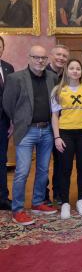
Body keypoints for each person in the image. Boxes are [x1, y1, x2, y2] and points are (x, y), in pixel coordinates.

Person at [3, 46, 58, 225]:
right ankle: (18, 210)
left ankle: (37, 202)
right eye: (36, 57)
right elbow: (8, 104)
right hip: (26, 131)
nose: (40, 61)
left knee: (43, 170)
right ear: (29, 57)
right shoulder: (15, 78)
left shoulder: (52, 77)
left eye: (43, 58)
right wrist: (18, 120)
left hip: (47, 130)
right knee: (22, 171)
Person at [51, 59, 82, 219]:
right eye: (72, 68)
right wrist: (57, 137)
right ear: (66, 71)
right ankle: (66, 202)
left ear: (81, 72)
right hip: (65, 133)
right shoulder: (58, 90)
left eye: (78, 68)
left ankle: (81, 199)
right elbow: (54, 116)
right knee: (65, 168)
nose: (75, 71)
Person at [44, 45, 70, 205]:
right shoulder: (43, 73)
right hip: (44, 123)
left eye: (64, 56)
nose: (61, 58)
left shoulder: (67, 76)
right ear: (51, 55)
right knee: (43, 163)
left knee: (61, 161)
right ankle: (43, 196)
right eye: (58, 54)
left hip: (62, 125)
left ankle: (59, 194)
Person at [0, 36, 14, 210]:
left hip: (3, 123)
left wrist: (11, 120)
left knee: (2, 161)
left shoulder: (8, 68)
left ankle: (3, 198)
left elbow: (11, 96)